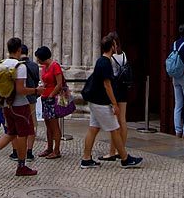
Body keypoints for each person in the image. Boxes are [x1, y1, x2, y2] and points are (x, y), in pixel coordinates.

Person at [80, 34, 142, 169]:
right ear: (111, 46)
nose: (116, 46)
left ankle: (86, 158)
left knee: (93, 128)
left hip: (95, 101)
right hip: (101, 102)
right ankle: (125, 158)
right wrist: (114, 104)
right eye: (114, 44)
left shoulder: (101, 61)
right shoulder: (106, 62)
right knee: (115, 129)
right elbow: (107, 85)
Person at [0, 37, 39, 177]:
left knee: (10, 133)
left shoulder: (2, 64)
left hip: (7, 104)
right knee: (23, 135)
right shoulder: (20, 66)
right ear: (19, 50)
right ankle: (21, 166)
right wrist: (36, 90)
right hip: (20, 106)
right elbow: (20, 90)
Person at [102, 32, 130, 161]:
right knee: (122, 120)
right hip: (124, 89)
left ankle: (112, 151)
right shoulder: (123, 55)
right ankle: (121, 149)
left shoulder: (111, 58)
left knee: (114, 122)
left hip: (115, 89)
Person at [9, 44, 40, 162]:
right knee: (31, 125)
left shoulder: (15, 65)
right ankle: (29, 152)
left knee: (14, 127)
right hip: (31, 98)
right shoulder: (34, 65)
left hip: (16, 99)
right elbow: (37, 80)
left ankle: (16, 152)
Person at [35, 45, 65, 159]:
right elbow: (45, 81)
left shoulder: (55, 66)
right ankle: (49, 148)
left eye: (38, 58)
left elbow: (59, 84)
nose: (37, 60)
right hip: (45, 97)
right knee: (48, 124)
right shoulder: (44, 66)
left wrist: (51, 95)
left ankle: (57, 150)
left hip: (52, 99)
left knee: (54, 125)